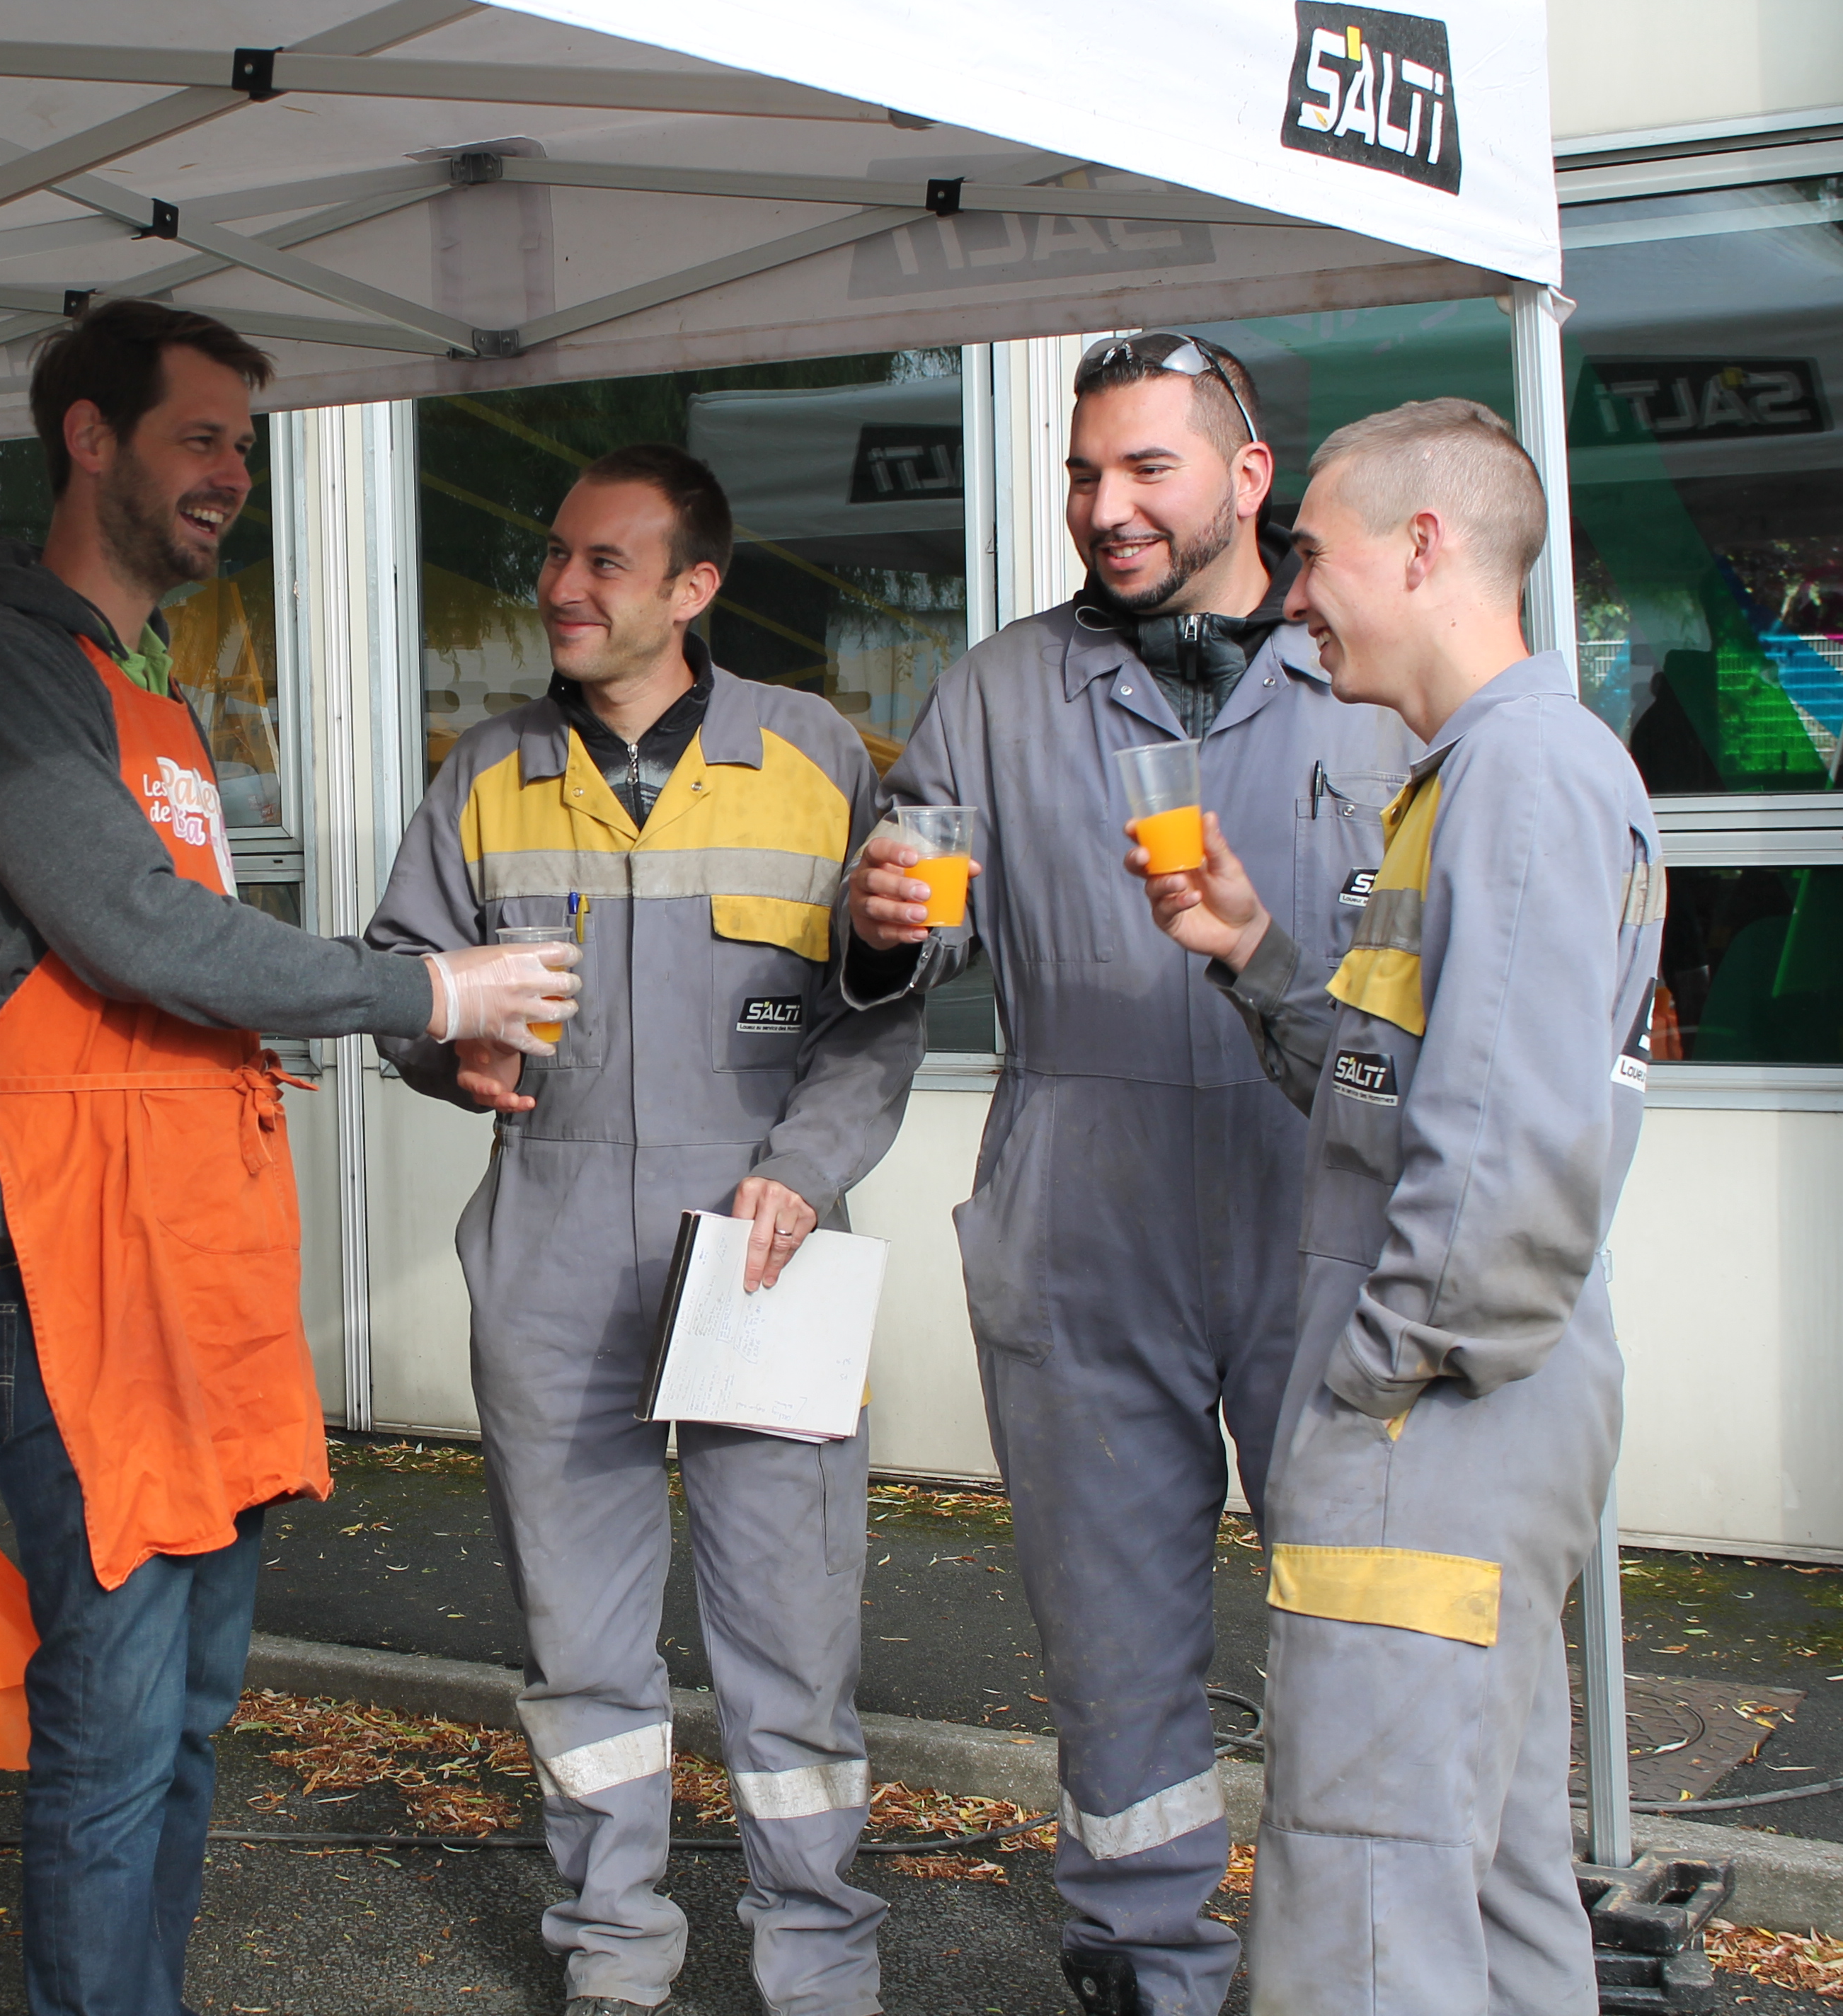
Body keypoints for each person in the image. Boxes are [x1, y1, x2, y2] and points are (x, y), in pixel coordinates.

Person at [0, 299, 578, 2016]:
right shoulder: (2, 669)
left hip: (195, 1243)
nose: (231, 477)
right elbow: (135, 929)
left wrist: (317, 1049)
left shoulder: (149, 695)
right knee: (115, 1725)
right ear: (92, 439)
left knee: (194, 1708)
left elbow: (178, 964)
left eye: (245, 448)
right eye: (202, 437)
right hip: (80, 1260)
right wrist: (429, 978)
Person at [839, 333, 1415, 2016]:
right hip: (1084, 1218)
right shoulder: (1001, 688)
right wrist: (893, 926)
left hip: (1323, 1206)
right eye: (1086, 473)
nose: (1107, 507)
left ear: (1248, 479)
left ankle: (1346, 1967)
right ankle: (1145, 1962)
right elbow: (920, 925)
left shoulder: (1364, 671)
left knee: (1357, 1629)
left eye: (1147, 468)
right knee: (1113, 1639)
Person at [365, 444, 918, 2016]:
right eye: (554, 556)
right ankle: (616, 1955)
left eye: (604, 561)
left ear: (693, 587)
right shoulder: (485, 772)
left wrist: (806, 1168)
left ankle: (816, 1963)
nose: (560, 586)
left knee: (790, 1635)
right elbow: (405, 963)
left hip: (760, 1239)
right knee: (582, 1638)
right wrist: (441, 1043)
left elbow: (883, 1014)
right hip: (549, 1242)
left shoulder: (815, 756)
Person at [1134, 398, 1663, 2011]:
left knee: (1361, 1898)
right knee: (1480, 1879)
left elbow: (1505, 1162)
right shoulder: (1485, 776)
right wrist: (1258, 957)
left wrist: (1372, 1384)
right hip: (1477, 1401)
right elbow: (1408, 1090)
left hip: (1437, 1411)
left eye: (1312, 551)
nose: (1292, 594)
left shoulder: (1518, 777)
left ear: (1425, 546)